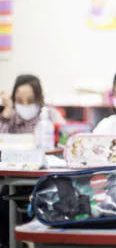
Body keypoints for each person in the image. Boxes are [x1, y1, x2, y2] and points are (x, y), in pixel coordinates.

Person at [0, 74, 65, 247]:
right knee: (4, 197)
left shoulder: (50, 115)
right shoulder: (11, 117)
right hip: (15, 176)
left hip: (45, 176)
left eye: (30, 100)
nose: (26, 105)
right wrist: (6, 114)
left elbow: (65, 139)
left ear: (40, 99)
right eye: (20, 100)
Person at [0, 74, 65, 133]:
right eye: (19, 101)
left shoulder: (50, 114)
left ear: (41, 98)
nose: (25, 104)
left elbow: (66, 135)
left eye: (31, 101)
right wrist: (7, 109)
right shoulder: (11, 116)